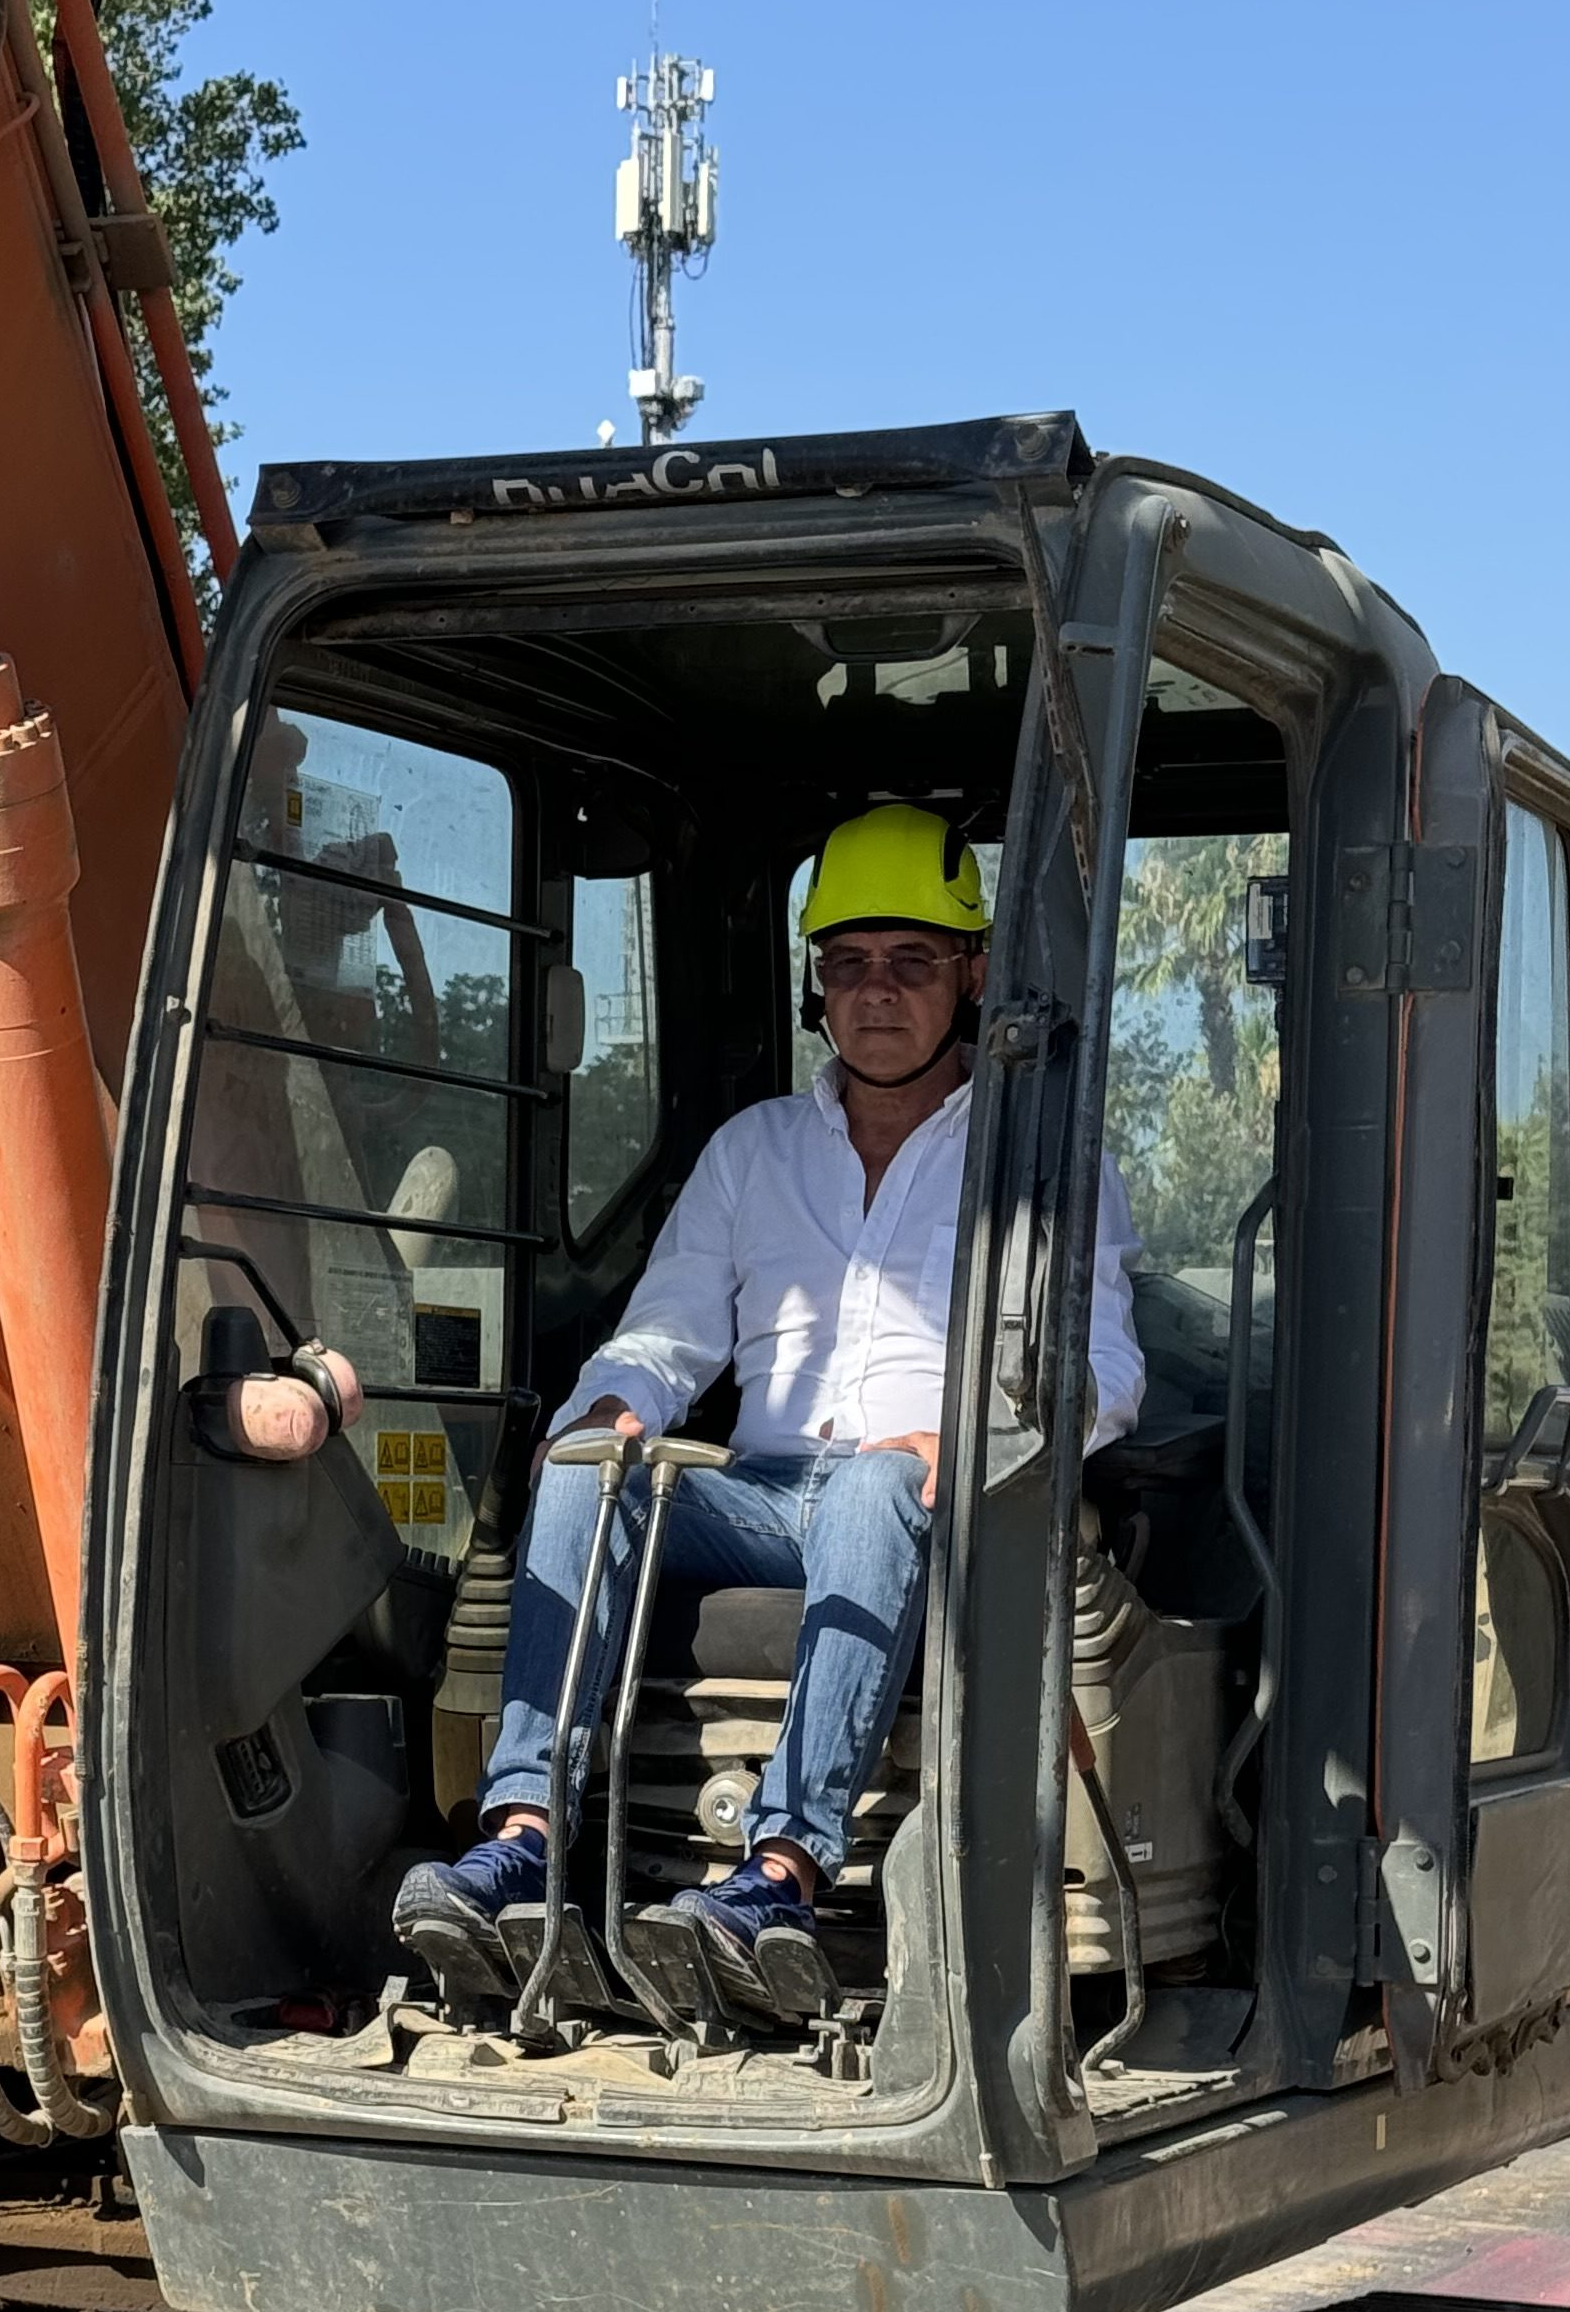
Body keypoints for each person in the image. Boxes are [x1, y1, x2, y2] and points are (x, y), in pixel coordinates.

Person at [392, 801, 1146, 2029]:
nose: (877, 993)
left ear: (972, 973)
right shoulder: (753, 1152)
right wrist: (610, 1410)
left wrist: (977, 1441)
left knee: (871, 1486)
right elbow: (665, 1333)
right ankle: (526, 1836)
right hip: (759, 1495)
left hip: (935, 1498)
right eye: (846, 965)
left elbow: (1106, 1365)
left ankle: (780, 1877)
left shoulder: (1041, 1164)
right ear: (816, 987)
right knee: (587, 1474)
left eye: (909, 962)